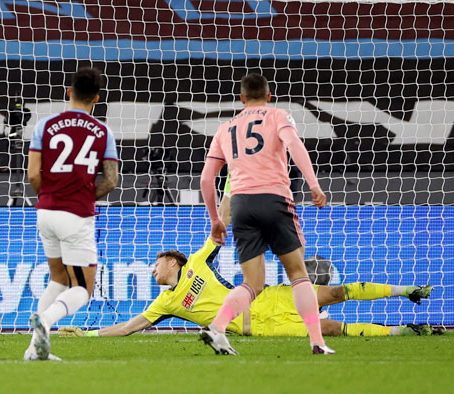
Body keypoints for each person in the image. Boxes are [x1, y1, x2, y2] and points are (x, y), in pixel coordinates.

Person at [58, 238, 437, 339]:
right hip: (261, 327)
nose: (151, 268)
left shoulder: (195, 262)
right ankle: (407, 331)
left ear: (172, 261)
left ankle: (408, 291)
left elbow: (218, 227)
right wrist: (87, 331)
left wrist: (227, 184)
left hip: (269, 296)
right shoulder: (165, 303)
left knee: (335, 293)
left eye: (155, 262)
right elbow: (126, 327)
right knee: (333, 329)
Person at [200, 73, 333, 355]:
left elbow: (206, 178)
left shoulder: (226, 128)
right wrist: (313, 184)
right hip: (274, 198)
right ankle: (317, 342)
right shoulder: (277, 116)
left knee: (253, 283)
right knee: (298, 274)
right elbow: (295, 145)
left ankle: (217, 327)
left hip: (241, 205)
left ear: (241, 98)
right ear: (269, 96)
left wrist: (216, 219)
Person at [26, 67, 119, 361]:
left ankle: (34, 351)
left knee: (58, 278)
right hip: (76, 215)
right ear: (97, 98)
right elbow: (112, 179)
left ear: (69, 91)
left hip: (46, 211)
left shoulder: (45, 125)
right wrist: (81, 196)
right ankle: (47, 321)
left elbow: (32, 175)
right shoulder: (103, 132)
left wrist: (51, 194)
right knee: (82, 289)